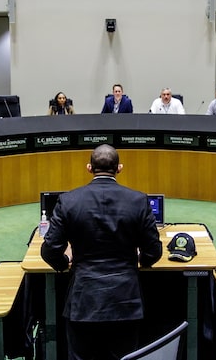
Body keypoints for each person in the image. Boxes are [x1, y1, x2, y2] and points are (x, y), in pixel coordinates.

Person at [40, 144, 162, 360]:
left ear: (89, 168)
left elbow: (50, 250)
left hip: (83, 301)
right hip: (126, 301)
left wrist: (64, 262)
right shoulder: (138, 201)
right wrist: (141, 261)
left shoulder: (69, 201)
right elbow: (154, 251)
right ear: (120, 168)